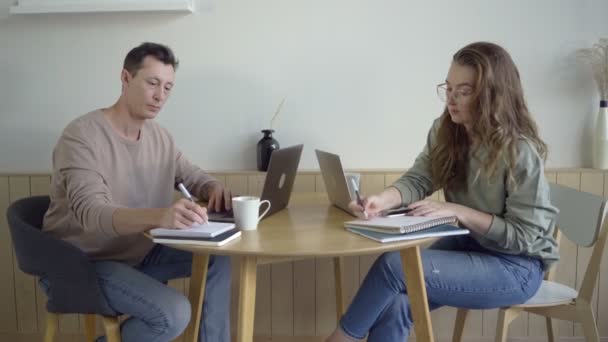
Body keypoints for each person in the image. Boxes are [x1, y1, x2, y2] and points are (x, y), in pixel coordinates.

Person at [325, 41, 560, 342]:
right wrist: (381, 200)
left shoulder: (520, 152)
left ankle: (341, 338)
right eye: (448, 88)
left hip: (516, 266)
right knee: (397, 304)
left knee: (395, 266)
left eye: (464, 91)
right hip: (469, 247)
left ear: (493, 95)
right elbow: (421, 177)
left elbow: (524, 236)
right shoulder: (446, 130)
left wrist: (459, 211)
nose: (452, 99)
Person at [43, 42, 233, 342]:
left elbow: (190, 175)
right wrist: (161, 216)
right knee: (173, 313)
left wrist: (212, 187)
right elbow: (92, 214)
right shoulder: (81, 137)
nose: (160, 96)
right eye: (153, 83)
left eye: (168, 87)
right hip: (83, 264)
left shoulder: (160, 137)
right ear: (126, 78)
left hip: (140, 252)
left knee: (218, 256)